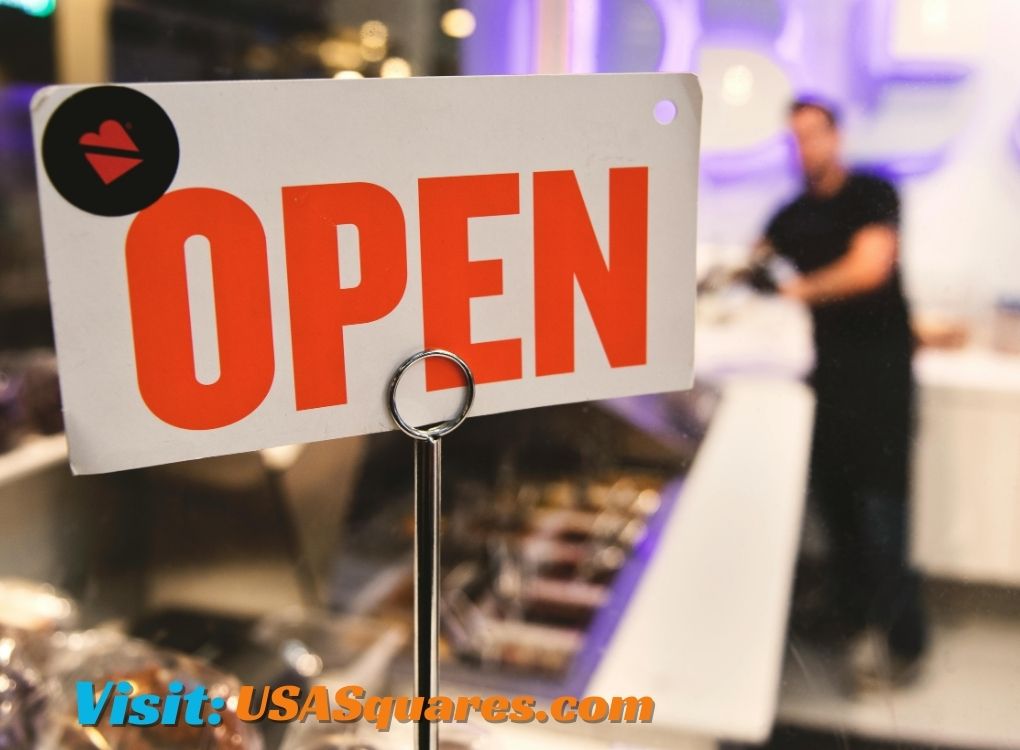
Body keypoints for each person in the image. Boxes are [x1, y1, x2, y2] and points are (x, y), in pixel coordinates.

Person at [756, 96, 928, 690]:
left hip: (880, 379)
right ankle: (857, 635)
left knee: (885, 518)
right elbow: (755, 267)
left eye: (813, 134)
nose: (806, 147)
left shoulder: (872, 195)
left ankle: (903, 644)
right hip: (823, 384)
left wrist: (795, 292)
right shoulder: (789, 215)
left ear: (836, 136)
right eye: (795, 138)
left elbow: (868, 269)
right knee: (840, 519)